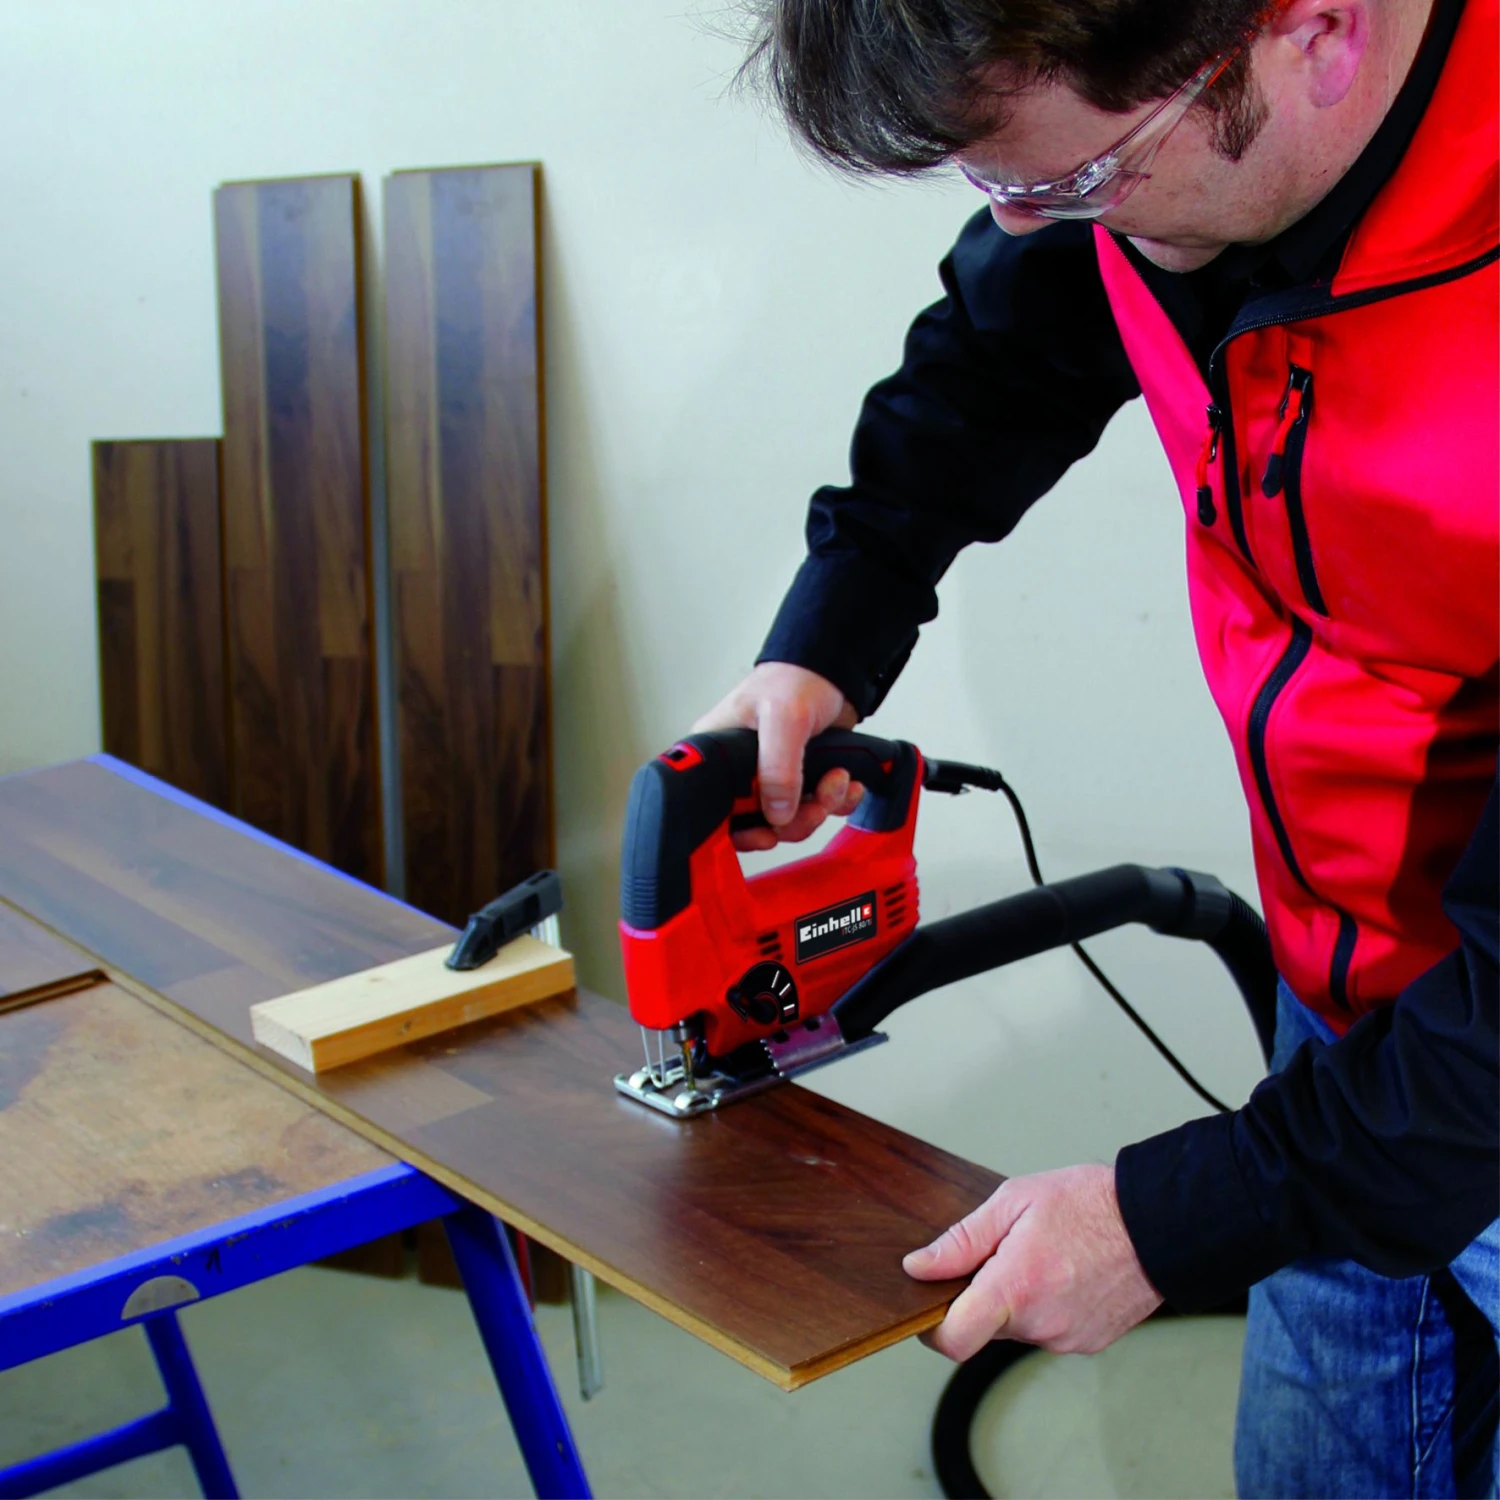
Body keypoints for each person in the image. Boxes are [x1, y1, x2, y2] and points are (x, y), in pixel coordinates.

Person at [690, 0, 1499, 1493]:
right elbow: (1005, 351)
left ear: (1316, 32)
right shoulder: (1157, 145)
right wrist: (827, 636)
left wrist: (1173, 1219)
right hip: (1345, 1028)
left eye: (1070, 183)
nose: (1029, 225)